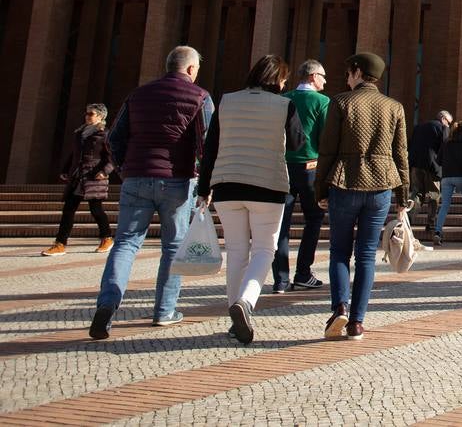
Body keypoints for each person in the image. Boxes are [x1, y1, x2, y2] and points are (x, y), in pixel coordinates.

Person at [89, 45, 213, 340]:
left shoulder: (138, 94)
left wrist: (124, 167)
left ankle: (107, 304)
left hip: (136, 177)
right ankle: (164, 311)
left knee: (126, 244)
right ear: (192, 70)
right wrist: (205, 181)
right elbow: (206, 143)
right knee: (173, 246)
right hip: (178, 180)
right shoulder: (200, 97)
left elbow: (114, 137)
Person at [197, 54, 304, 344]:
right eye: (283, 79)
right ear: (277, 79)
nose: (284, 84)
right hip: (267, 185)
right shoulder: (285, 105)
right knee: (264, 250)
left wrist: (203, 189)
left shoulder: (227, 101)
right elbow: (298, 143)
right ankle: (245, 302)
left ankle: (235, 320)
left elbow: (211, 147)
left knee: (236, 251)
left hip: (227, 185)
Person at [315, 52, 410, 339]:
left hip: (345, 181)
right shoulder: (394, 107)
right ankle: (357, 321)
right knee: (366, 254)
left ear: (356, 72)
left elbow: (328, 149)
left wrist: (320, 190)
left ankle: (340, 307)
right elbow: (401, 154)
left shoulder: (341, 102)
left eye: (348, 72)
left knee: (339, 251)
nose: (347, 77)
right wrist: (403, 196)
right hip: (381, 184)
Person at [272, 58, 329, 294]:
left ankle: (280, 280)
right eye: (323, 76)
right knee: (313, 219)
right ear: (313, 76)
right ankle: (303, 273)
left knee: (280, 225)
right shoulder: (321, 101)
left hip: (282, 168)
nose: (325, 81)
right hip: (310, 167)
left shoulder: (283, 99)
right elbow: (325, 139)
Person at [45, 103, 114, 256]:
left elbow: (112, 157)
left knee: (96, 210)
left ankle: (107, 237)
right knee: (68, 209)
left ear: (100, 116)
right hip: (77, 176)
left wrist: (104, 171)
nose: (87, 116)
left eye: (91, 114)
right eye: (87, 113)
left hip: (94, 177)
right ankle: (60, 243)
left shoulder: (104, 134)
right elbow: (74, 154)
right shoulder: (80, 133)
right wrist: (65, 170)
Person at [408, 110, 451, 239]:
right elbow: (445, 147)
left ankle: (408, 219)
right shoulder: (442, 128)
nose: (449, 125)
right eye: (449, 122)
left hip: (416, 164)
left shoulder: (419, 127)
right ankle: (431, 224)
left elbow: (411, 144)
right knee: (434, 195)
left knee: (416, 193)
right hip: (433, 166)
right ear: (443, 119)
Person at [435, 120, 462, 240]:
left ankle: (438, 230)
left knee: (445, 205)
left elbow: (438, 160)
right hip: (461, 175)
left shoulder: (446, 142)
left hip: (446, 177)